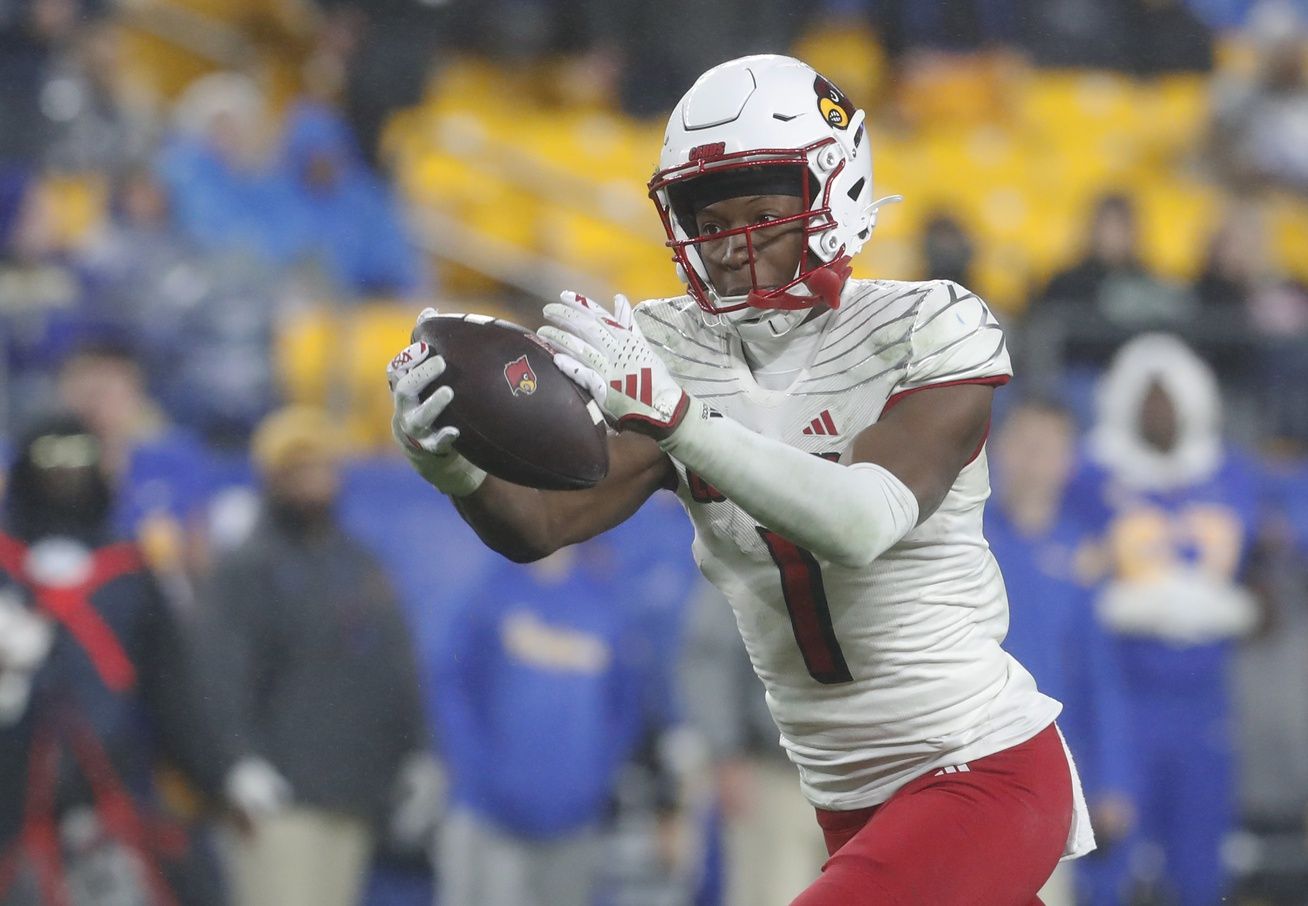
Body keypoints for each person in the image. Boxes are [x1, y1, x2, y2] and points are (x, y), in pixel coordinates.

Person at [389, 54, 1092, 905]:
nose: (732, 245)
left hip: (980, 767)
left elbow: (863, 523)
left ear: (835, 193)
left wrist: (684, 421)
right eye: (711, 219)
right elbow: (540, 525)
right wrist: (455, 469)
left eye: (763, 213)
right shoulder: (670, 345)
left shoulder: (931, 323)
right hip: (845, 798)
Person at [197, 406, 436, 906]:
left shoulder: (358, 561)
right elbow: (220, 673)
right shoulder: (250, 566)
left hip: (354, 791)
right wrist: (238, 761)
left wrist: (416, 751)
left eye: (321, 465)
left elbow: (393, 664)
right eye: (298, 468)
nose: (313, 479)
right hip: (280, 796)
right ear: (271, 477)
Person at [0, 413, 228, 906]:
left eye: (79, 457)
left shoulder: (130, 567)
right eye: (50, 458)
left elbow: (172, 685)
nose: (64, 472)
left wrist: (217, 776)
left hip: (111, 795)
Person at [1075, 334, 1261, 905]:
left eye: (1169, 398)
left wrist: (1258, 587)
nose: (1159, 411)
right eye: (1147, 398)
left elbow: (1281, 538)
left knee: (1201, 857)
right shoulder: (1090, 479)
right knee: (1109, 852)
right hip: (1123, 687)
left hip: (1206, 690)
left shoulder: (1234, 475)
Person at [985, 398, 1137, 906]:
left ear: (1070, 460)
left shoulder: (1085, 559)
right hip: (966, 759)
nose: (1034, 458)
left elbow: (1103, 677)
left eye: (1048, 447)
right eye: (1025, 443)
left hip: (1050, 774)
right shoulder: (962, 539)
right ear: (999, 448)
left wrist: (1113, 780)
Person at [679, 580, 828, 906]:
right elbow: (710, 658)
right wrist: (726, 753)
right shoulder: (755, 540)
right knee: (773, 896)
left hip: (866, 774)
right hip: (774, 774)